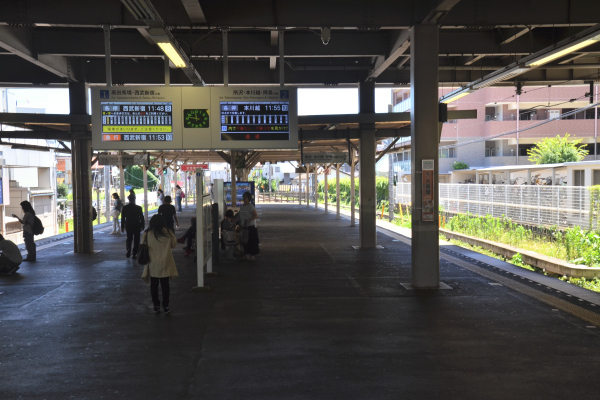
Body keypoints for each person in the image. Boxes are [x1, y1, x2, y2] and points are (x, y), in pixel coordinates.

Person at [141, 215, 178, 314]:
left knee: (154, 285)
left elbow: (142, 245)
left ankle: (156, 305)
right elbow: (174, 244)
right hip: (165, 262)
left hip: (153, 263)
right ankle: (165, 306)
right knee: (165, 285)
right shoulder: (168, 232)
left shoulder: (147, 233)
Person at [121, 194, 145, 259]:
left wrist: (122, 227)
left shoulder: (125, 207)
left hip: (128, 225)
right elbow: (142, 218)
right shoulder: (138, 208)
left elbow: (123, 218)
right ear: (135, 199)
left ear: (128, 199)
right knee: (136, 239)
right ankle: (134, 253)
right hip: (137, 225)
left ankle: (128, 249)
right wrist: (143, 226)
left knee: (129, 238)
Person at [239, 191, 259, 261]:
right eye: (243, 197)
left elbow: (255, 215)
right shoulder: (241, 207)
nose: (244, 198)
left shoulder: (250, 206)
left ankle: (252, 255)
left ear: (248, 198)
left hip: (251, 226)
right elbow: (240, 216)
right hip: (244, 227)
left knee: (251, 241)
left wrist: (249, 220)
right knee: (245, 241)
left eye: (246, 197)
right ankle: (247, 255)